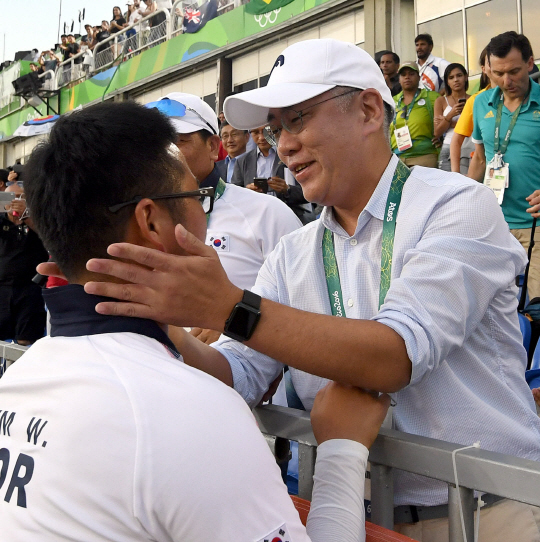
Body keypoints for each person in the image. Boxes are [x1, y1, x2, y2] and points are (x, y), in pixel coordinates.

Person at [74, 39, 540, 541]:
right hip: (352, 513)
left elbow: (396, 355)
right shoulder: (293, 252)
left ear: (366, 109)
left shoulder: (455, 205)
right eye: (275, 129)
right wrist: (163, 318)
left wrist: (227, 306)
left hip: (482, 512)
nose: (282, 145)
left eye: (296, 120)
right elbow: (241, 374)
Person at [2, 100, 389, 541]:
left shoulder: (21, 377)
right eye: (196, 198)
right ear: (150, 220)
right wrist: (341, 451)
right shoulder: (190, 411)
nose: (205, 212)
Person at [148, 92, 300, 345]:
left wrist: (240, 327)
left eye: (179, 142)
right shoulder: (134, 223)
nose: (165, 155)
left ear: (212, 147)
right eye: (154, 145)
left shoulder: (267, 212)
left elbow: (306, 306)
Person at [471, 31, 540, 300]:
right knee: (494, 306)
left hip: (533, 225)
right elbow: (479, 157)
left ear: (530, 63)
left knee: (534, 307)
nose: (506, 81)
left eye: (514, 71)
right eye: (498, 73)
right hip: (493, 224)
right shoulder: (481, 103)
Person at [232, 126, 314, 223]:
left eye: (266, 132)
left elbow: (309, 190)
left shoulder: (290, 154)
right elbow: (234, 196)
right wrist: (247, 192)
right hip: (256, 220)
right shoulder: (242, 162)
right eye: (255, 132)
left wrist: (287, 189)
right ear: (249, 135)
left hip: (290, 218)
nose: (262, 137)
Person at [0, 184, 48, 345]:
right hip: (2, 288)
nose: (15, 201)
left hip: (30, 290)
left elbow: (49, 237)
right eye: (10, 197)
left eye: (21, 197)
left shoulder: (38, 220)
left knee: (25, 339)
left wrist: (27, 216)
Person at [450, 46, 494, 174]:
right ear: (483, 69)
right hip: (486, 171)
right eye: (490, 62)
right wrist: (456, 174)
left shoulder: (522, 96)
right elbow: (456, 140)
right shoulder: (477, 100)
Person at [390, 62, 440, 167]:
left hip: (425, 157)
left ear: (419, 77)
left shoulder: (431, 97)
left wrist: (441, 136)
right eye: (403, 75)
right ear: (399, 79)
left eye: (411, 74)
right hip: (398, 159)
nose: (407, 77)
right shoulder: (392, 102)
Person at [433, 63, 470, 171]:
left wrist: (447, 122)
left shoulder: (473, 99)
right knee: (447, 185)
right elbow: (437, 132)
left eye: (459, 75)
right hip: (447, 146)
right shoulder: (440, 101)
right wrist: (450, 115)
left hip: (468, 147)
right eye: (451, 77)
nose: (456, 80)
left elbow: (475, 127)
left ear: (466, 77)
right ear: (447, 82)